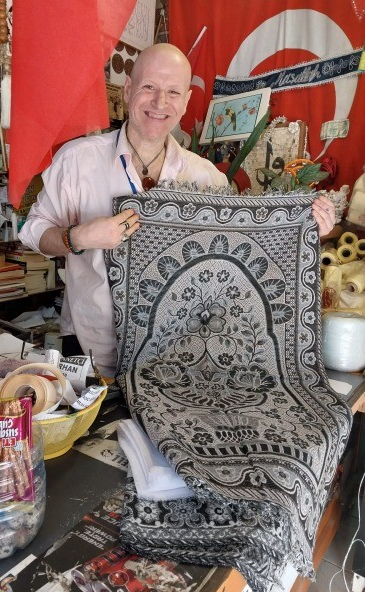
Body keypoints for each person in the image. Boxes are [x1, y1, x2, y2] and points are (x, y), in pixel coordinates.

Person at [19, 43, 335, 378]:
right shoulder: (76, 161)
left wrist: (305, 230)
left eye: (172, 92)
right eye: (149, 87)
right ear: (128, 89)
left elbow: (241, 263)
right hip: (92, 352)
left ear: (185, 101)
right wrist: (78, 237)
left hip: (181, 362)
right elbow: (34, 231)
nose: (159, 103)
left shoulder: (208, 179)